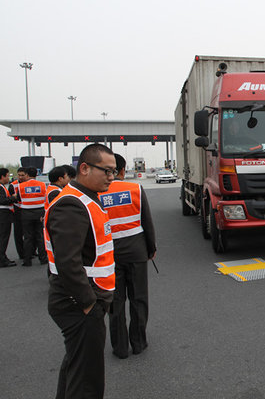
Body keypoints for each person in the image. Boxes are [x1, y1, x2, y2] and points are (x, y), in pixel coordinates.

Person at [45, 143, 117, 398]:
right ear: (84, 168)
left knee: (77, 367)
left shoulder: (86, 199)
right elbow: (68, 262)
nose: (112, 177)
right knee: (87, 380)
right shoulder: (72, 204)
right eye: (107, 171)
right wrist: (89, 304)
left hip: (85, 298)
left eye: (114, 171)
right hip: (79, 302)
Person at [99, 154, 156, 359]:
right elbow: (146, 222)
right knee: (139, 298)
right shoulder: (135, 189)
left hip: (108, 255)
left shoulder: (97, 194)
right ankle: (138, 342)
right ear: (123, 170)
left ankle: (120, 347)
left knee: (115, 301)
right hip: (136, 251)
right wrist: (151, 248)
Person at [17, 167, 47, 267]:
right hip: (39, 212)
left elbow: (18, 198)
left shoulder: (21, 186)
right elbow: (45, 198)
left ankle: (27, 260)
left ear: (27, 175)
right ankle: (43, 258)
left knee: (28, 237)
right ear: (36, 174)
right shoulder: (42, 185)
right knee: (40, 236)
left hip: (26, 213)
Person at [0, 168, 18, 268]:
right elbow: (2, 200)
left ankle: (3, 257)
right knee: (3, 237)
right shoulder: (0, 187)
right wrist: (13, 198)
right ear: (2, 176)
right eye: (7, 176)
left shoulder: (2, 187)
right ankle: (2, 259)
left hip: (4, 215)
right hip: (3, 215)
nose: (8, 178)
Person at [9, 167, 27, 260]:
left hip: (27, 209)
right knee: (18, 233)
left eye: (22, 175)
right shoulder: (13, 185)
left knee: (29, 233)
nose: (20, 177)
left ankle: (31, 251)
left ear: (26, 175)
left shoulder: (29, 184)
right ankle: (21, 253)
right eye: (19, 175)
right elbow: (12, 198)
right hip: (17, 210)